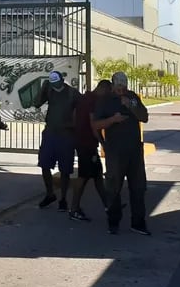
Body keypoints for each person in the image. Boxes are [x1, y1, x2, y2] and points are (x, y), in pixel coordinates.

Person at [93, 71, 149, 236]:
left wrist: (130, 105)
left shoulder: (132, 97)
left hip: (134, 152)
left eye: (123, 87)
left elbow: (144, 117)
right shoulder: (105, 101)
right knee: (113, 188)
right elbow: (96, 125)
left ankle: (138, 223)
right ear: (112, 86)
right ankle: (113, 221)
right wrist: (112, 120)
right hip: (115, 152)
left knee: (138, 187)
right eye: (118, 87)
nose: (121, 90)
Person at [35, 71, 78, 211]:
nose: (55, 85)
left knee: (65, 169)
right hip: (50, 134)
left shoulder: (72, 93)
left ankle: (63, 199)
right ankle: (50, 194)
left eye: (56, 83)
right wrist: (43, 88)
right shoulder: (49, 90)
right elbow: (36, 103)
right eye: (52, 83)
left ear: (62, 80)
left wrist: (73, 124)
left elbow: (81, 111)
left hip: (66, 135)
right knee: (44, 164)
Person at [68, 80, 111, 222]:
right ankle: (74, 209)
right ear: (103, 89)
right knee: (83, 177)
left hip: (81, 141)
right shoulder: (94, 101)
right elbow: (94, 125)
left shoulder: (83, 98)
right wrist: (103, 143)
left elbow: (74, 117)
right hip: (87, 144)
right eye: (108, 92)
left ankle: (108, 205)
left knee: (97, 174)